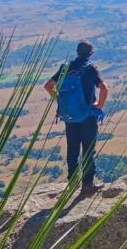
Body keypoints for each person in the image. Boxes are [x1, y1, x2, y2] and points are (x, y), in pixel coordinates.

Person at [43, 41, 109, 195]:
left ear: (77, 52)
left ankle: (72, 184)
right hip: (88, 116)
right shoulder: (91, 68)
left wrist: (60, 100)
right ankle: (87, 185)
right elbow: (104, 88)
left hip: (69, 116)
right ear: (91, 53)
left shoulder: (65, 67)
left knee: (72, 151)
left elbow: (48, 85)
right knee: (88, 150)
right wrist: (99, 105)